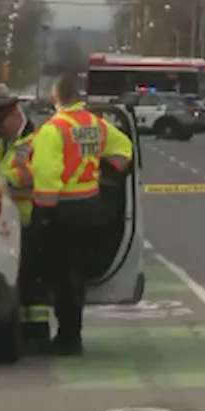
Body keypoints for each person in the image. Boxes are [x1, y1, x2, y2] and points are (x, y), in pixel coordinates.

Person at [30, 72, 133, 355]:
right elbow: (124, 149)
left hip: (64, 211)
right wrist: (110, 173)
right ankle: (73, 333)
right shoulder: (96, 124)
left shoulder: (54, 129)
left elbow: (48, 175)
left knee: (62, 277)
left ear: (56, 98)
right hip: (92, 207)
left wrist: (44, 214)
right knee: (78, 277)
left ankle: (67, 338)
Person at [0, 95, 51, 347]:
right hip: (4, 223)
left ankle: (37, 333)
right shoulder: (0, 142)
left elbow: (34, 172)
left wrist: (0, 179)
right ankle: (21, 331)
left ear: (16, 116)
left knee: (34, 279)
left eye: (2, 124)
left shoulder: (37, 140)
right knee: (16, 278)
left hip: (30, 219)